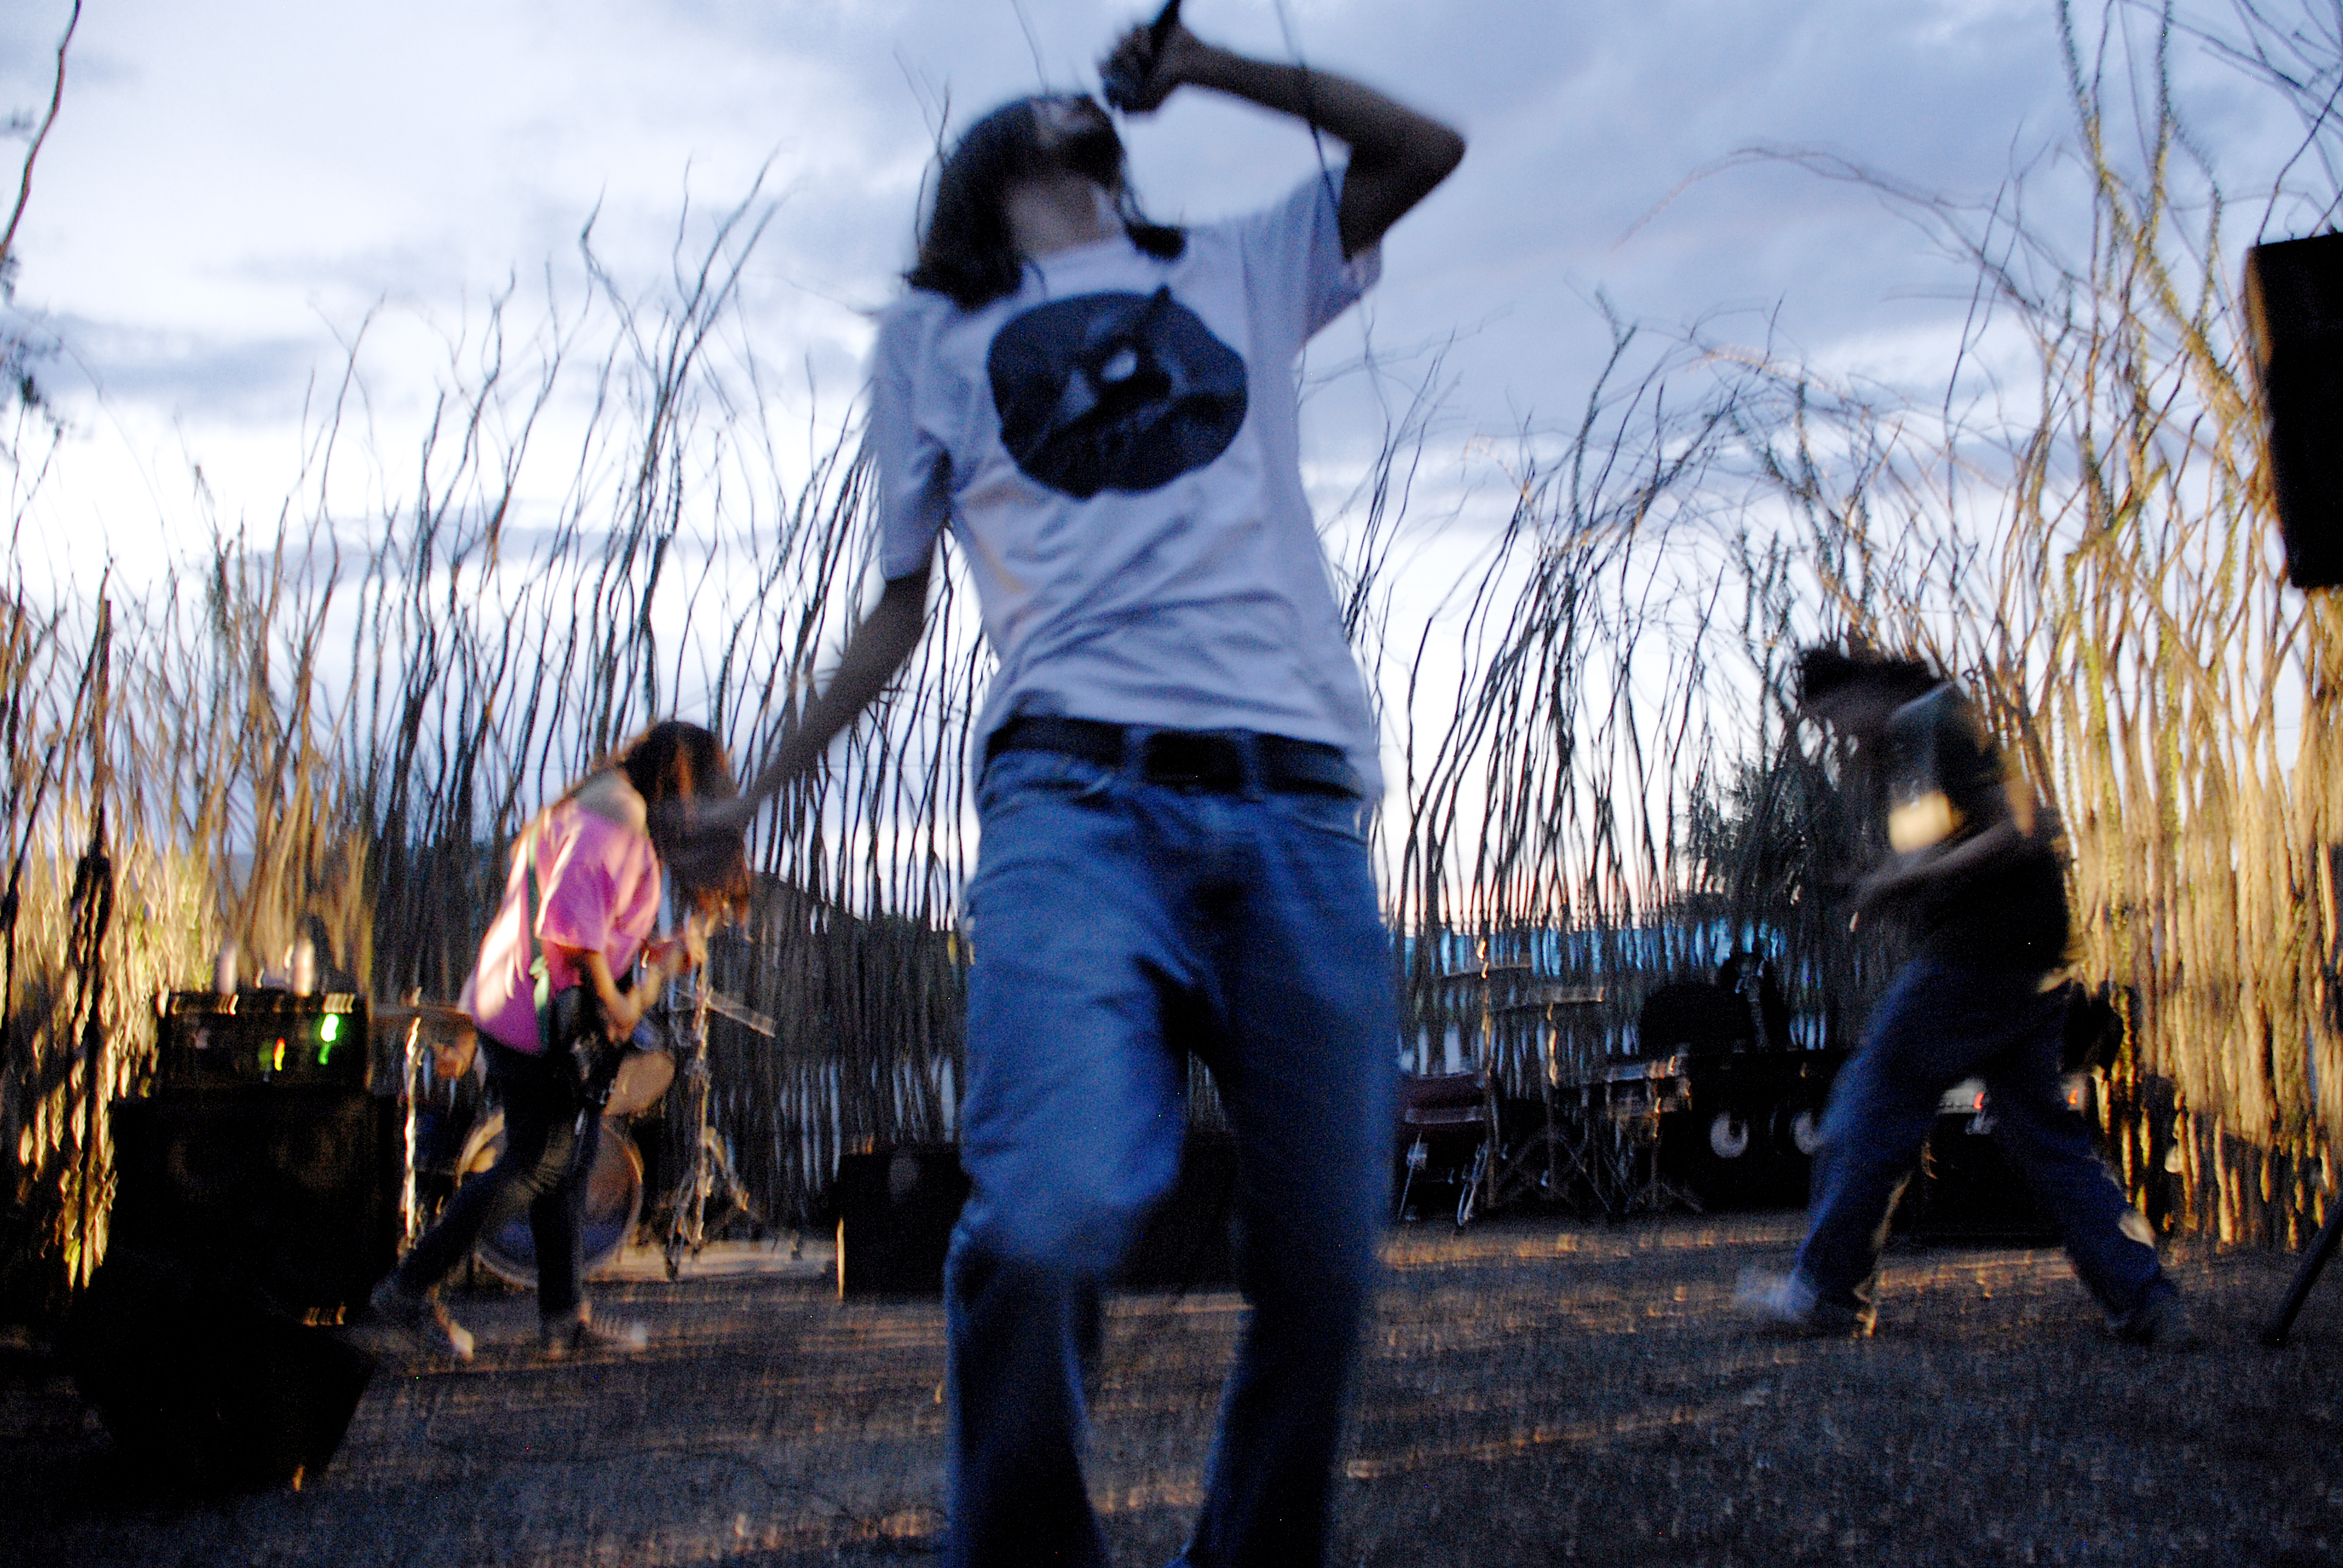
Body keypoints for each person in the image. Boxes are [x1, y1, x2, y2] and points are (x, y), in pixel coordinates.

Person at [683, 18, 1461, 1566]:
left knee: (1324, 1269)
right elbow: (897, 612)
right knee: (1042, 1229)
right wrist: (753, 787)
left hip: (1296, 807)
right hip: (1075, 809)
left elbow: (1419, 152)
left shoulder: (1234, 264)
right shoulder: (932, 336)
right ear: (980, 177)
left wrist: (1214, 66)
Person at [1736, 646, 2194, 1347]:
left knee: (1869, 1102)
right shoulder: (1922, 740)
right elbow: (1951, 846)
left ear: (1866, 687)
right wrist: (1885, 880)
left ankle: (1828, 1293)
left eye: (1833, 716)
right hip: (2029, 957)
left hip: (1978, 956)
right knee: (2043, 1134)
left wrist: (1895, 884)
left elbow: (2015, 828)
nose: (1837, 734)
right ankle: (2145, 1300)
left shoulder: (1935, 718)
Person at [372, 720, 747, 1361]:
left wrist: (647, 954)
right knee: (537, 1162)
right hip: (537, 1017)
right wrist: (639, 988)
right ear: (681, 781)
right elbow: (570, 934)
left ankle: (562, 1319)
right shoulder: (616, 820)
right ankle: (408, 1290)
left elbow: (573, 922)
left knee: (565, 1163)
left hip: (516, 1002)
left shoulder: (595, 804)